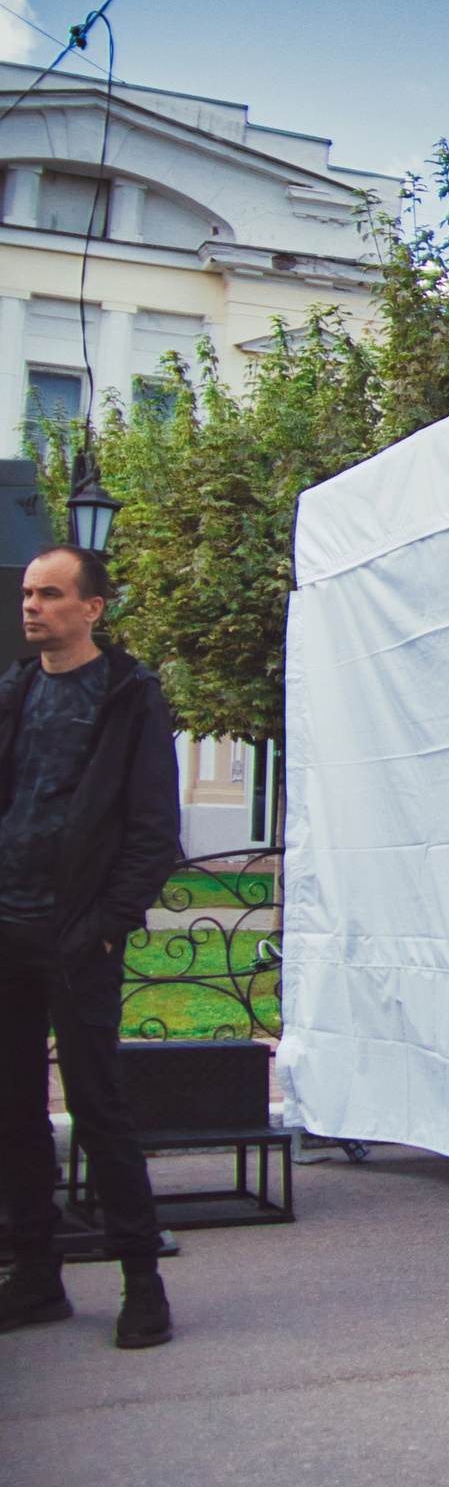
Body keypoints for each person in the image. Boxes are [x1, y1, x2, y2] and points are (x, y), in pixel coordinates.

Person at [0, 547, 181, 1349]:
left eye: (51, 594)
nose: (32, 607)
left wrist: (108, 923)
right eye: (29, 594)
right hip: (6, 928)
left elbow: (152, 831)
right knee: (12, 1113)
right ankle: (36, 1277)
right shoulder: (17, 687)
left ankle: (142, 1281)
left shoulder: (129, 696)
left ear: (94, 608)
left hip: (77, 937)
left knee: (98, 1108)